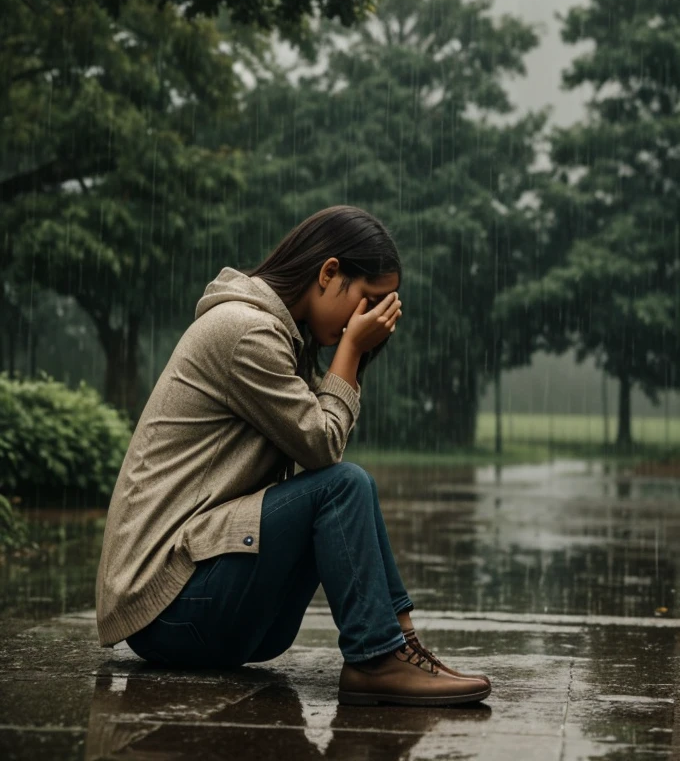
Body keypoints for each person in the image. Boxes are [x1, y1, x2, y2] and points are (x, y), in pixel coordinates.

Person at [95, 205, 491, 706]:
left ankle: (398, 646)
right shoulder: (246, 332)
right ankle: (377, 659)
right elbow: (323, 447)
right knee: (345, 485)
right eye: (367, 301)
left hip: (195, 601)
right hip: (166, 607)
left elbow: (316, 447)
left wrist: (350, 347)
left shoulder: (279, 337)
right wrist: (351, 349)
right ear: (329, 273)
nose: (369, 318)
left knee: (348, 488)